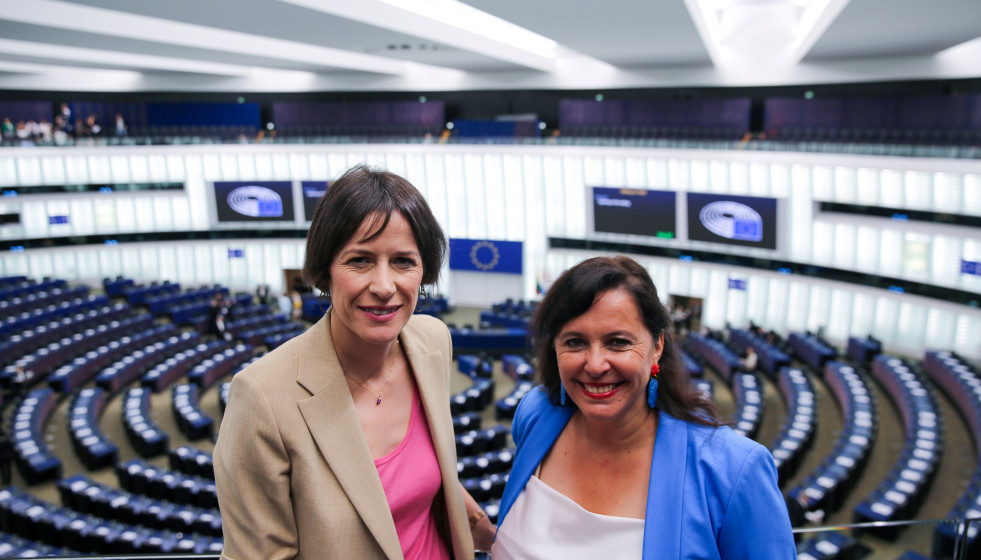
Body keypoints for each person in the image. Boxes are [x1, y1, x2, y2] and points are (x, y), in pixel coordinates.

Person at [214, 164, 491, 559]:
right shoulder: (262, 397)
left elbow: (421, 473)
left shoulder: (432, 342)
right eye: (360, 260)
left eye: (403, 262)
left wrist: (482, 526)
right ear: (326, 271)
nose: (383, 286)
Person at [492, 256, 796, 559]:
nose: (595, 365)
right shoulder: (535, 414)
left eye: (618, 342)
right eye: (574, 342)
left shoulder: (734, 471)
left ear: (658, 346)